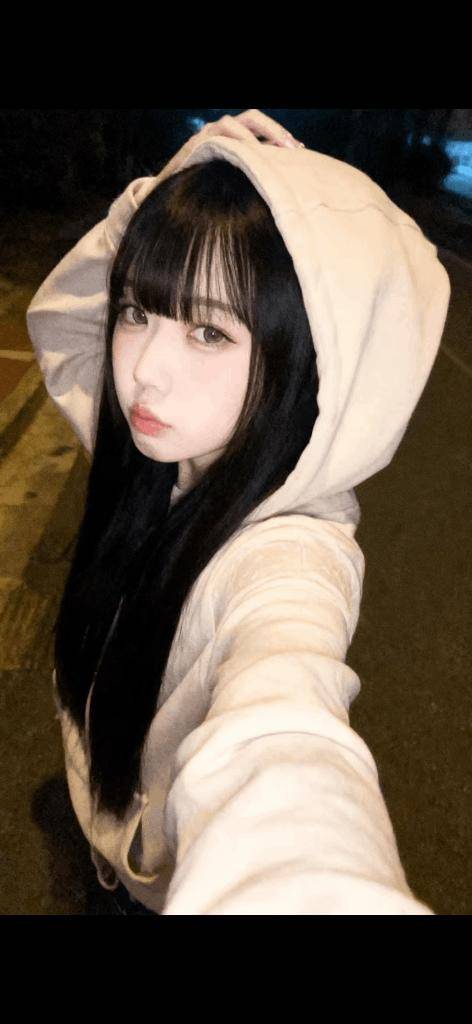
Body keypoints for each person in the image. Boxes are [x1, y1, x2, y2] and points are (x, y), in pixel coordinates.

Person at [26, 109, 450, 916]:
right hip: (107, 834)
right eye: (137, 311)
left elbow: (284, 732)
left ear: (306, 356)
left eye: (209, 332)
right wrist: (179, 183)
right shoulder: (171, 453)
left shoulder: (289, 560)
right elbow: (65, 324)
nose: (145, 370)